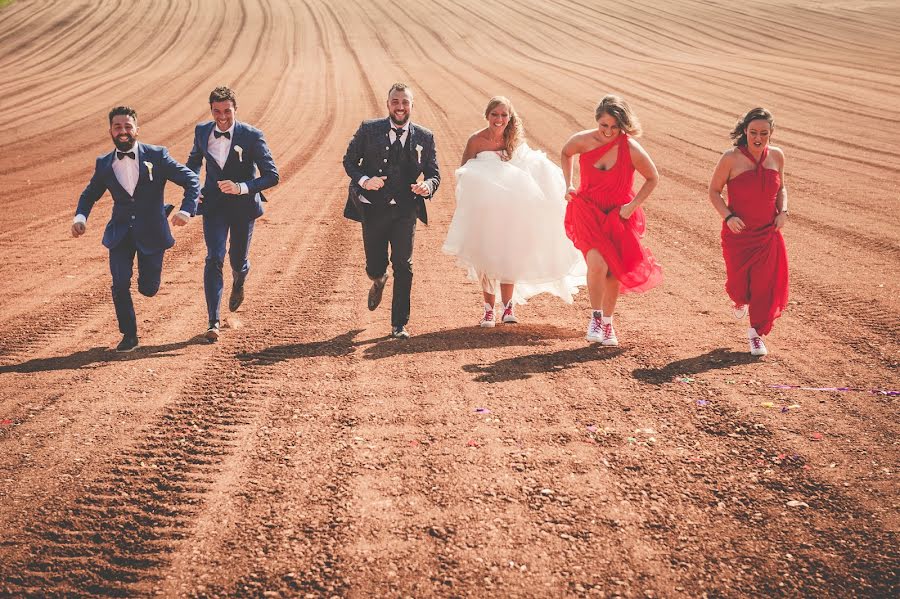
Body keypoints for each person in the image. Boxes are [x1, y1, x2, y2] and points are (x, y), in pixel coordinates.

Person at [442, 96, 586, 327]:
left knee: (509, 254)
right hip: (484, 210)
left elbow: (529, 171)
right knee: (486, 256)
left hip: (511, 212)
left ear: (510, 118)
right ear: (487, 115)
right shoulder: (476, 141)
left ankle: (508, 307)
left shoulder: (515, 142)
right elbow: (464, 173)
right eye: (495, 115)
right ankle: (489, 309)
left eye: (504, 115)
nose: (499, 119)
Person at [71, 106, 199, 352]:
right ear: (110, 130)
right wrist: (80, 217)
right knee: (119, 283)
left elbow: (190, 179)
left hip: (152, 230)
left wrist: (186, 209)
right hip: (120, 232)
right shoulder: (104, 163)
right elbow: (89, 195)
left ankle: (147, 286)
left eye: (128, 126)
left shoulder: (157, 155)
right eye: (118, 127)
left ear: (137, 130)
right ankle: (129, 335)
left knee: (148, 289)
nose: (123, 131)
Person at [343, 82, 441, 339]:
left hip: (405, 211)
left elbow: (434, 173)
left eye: (405, 102)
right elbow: (349, 161)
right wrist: (365, 181)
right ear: (387, 105)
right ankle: (378, 278)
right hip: (373, 209)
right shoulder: (368, 129)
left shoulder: (425, 137)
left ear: (411, 105)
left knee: (404, 265)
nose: (400, 107)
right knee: (375, 265)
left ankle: (399, 324)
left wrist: (427, 186)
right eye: (395, 102)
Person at [561, 95, 661, 346]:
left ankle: (608, 323)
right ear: (597, 121)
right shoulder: (583, 140)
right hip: (588, 210)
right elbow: (566, 152)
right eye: (604, 125)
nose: (608, 132)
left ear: (622, 125)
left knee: (613, 272)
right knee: (596, 264)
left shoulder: (631, 149)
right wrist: (569, 184)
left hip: (619, 214)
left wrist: (632, 206)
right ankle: (595, 318)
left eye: (614, 127)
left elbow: (652, 178)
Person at [187, 86, 279, 343]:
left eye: (227, 111)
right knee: (214, 257)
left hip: (243, 207)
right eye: (217, 111)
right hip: (214, 206)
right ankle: (213, 321)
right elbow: (194, 162)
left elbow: (272, 175)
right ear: (211, 111)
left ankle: (239, 280)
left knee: (237, 260)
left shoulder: (252, 136)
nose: (222, 117)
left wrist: (242, 188)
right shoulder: (202, 131)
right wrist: (194, 189)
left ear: (235, 109)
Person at [708, 107, 788, 357]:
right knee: (739, 287)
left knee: (764, 286)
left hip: (767, 234)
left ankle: (755, 334)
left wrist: (783, 210)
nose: (758, 137)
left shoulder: (777, 156)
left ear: (771, 133)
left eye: (764, 133)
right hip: (738, 235)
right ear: (745, 131)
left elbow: (782, 188)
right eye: (753, 132)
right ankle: (739, 299)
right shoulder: (731, 158)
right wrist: (728, 216)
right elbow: (713, 191)